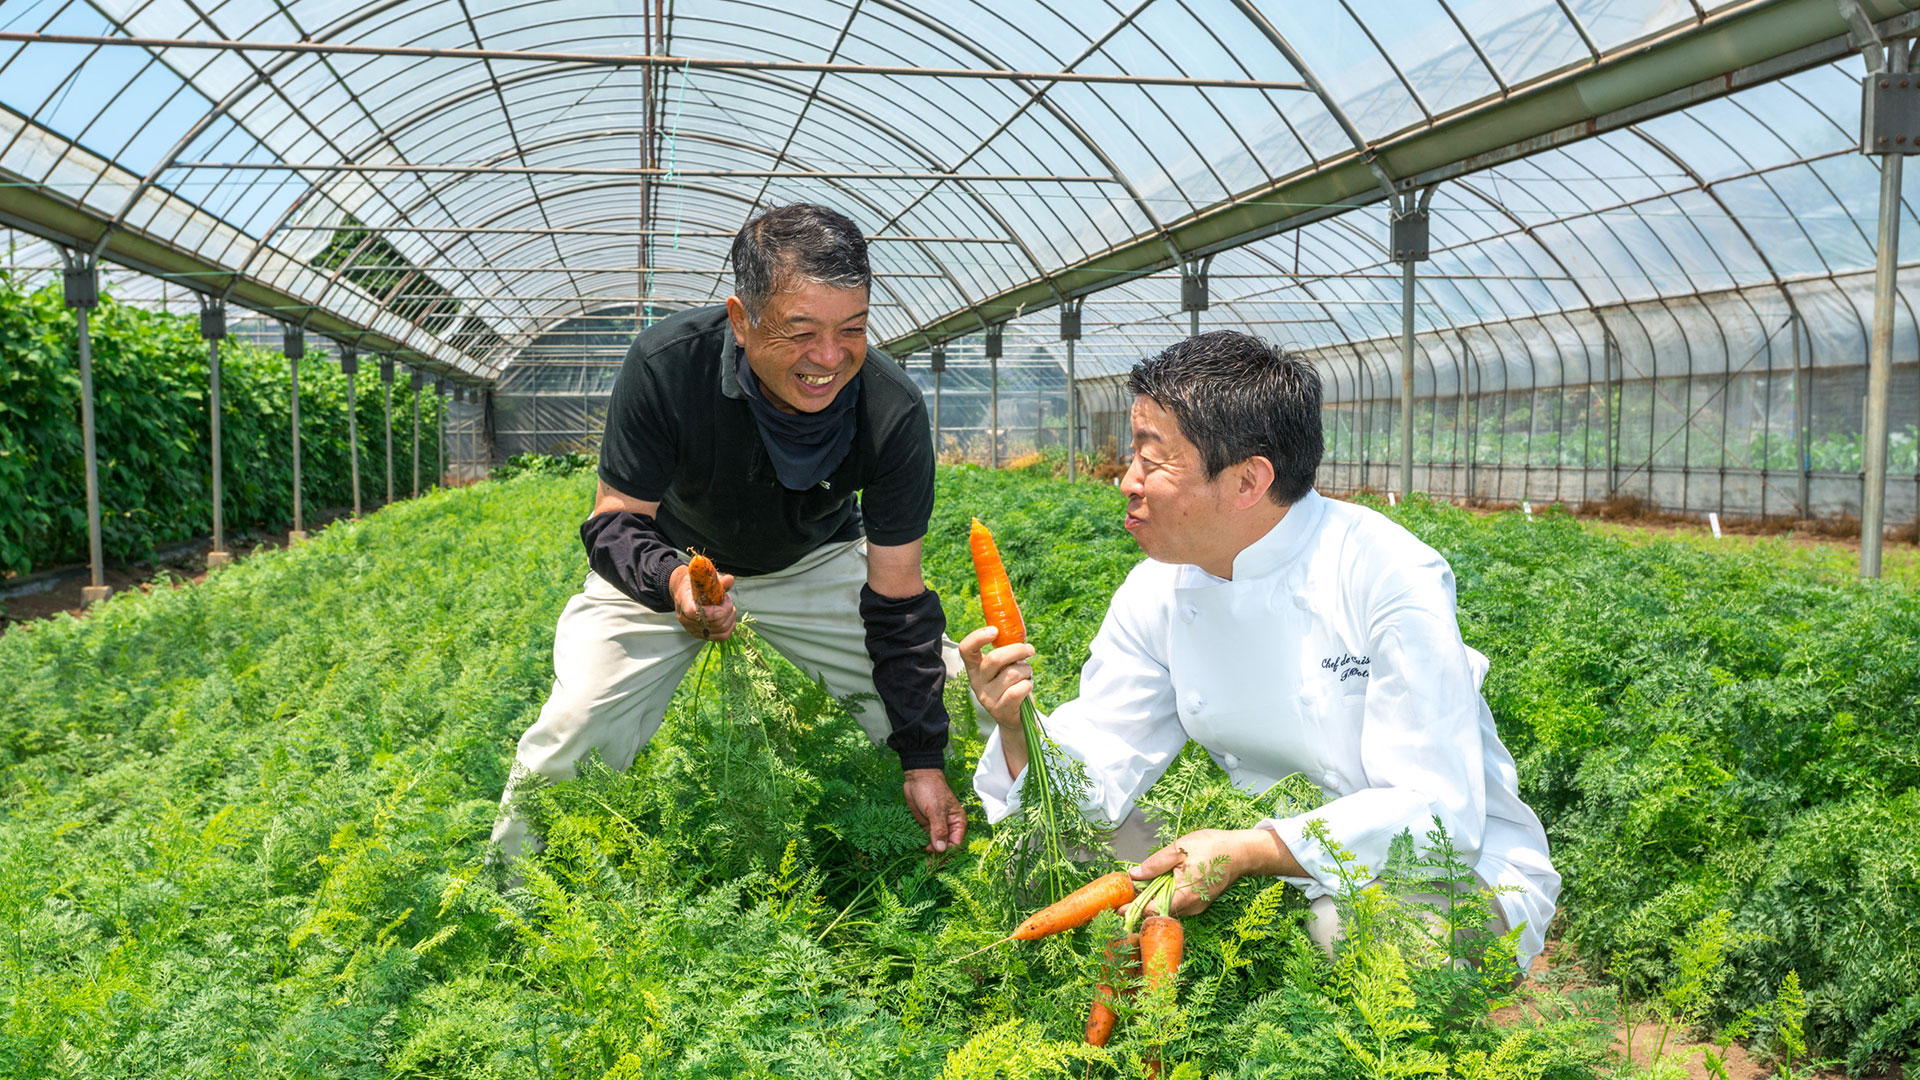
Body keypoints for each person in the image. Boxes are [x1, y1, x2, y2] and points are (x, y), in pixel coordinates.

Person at [961, 331, 1559, 970]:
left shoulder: (1386, 573)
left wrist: (1253, 849)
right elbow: (1098, 773)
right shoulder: (1158, 587)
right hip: (1246, 849)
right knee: (1050, 856)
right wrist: (1017, 726)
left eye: (1151, 458)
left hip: (1442, 874)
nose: (1126, 482)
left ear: (1248, 480)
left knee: (1352, 935)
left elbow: (1437, 813)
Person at [492, 203, 966, 864]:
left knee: (958, 697)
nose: (829, 358)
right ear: (741, 321)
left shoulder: (892, 408)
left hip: (814, 563)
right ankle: (508, 899)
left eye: (852, 329)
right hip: (675, 560)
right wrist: (675, 581)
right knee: (574, 729)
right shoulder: (668, 365)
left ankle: (976, 857)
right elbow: (614, 522)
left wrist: (922, 756)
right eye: (800, 331)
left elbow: (897, 595)